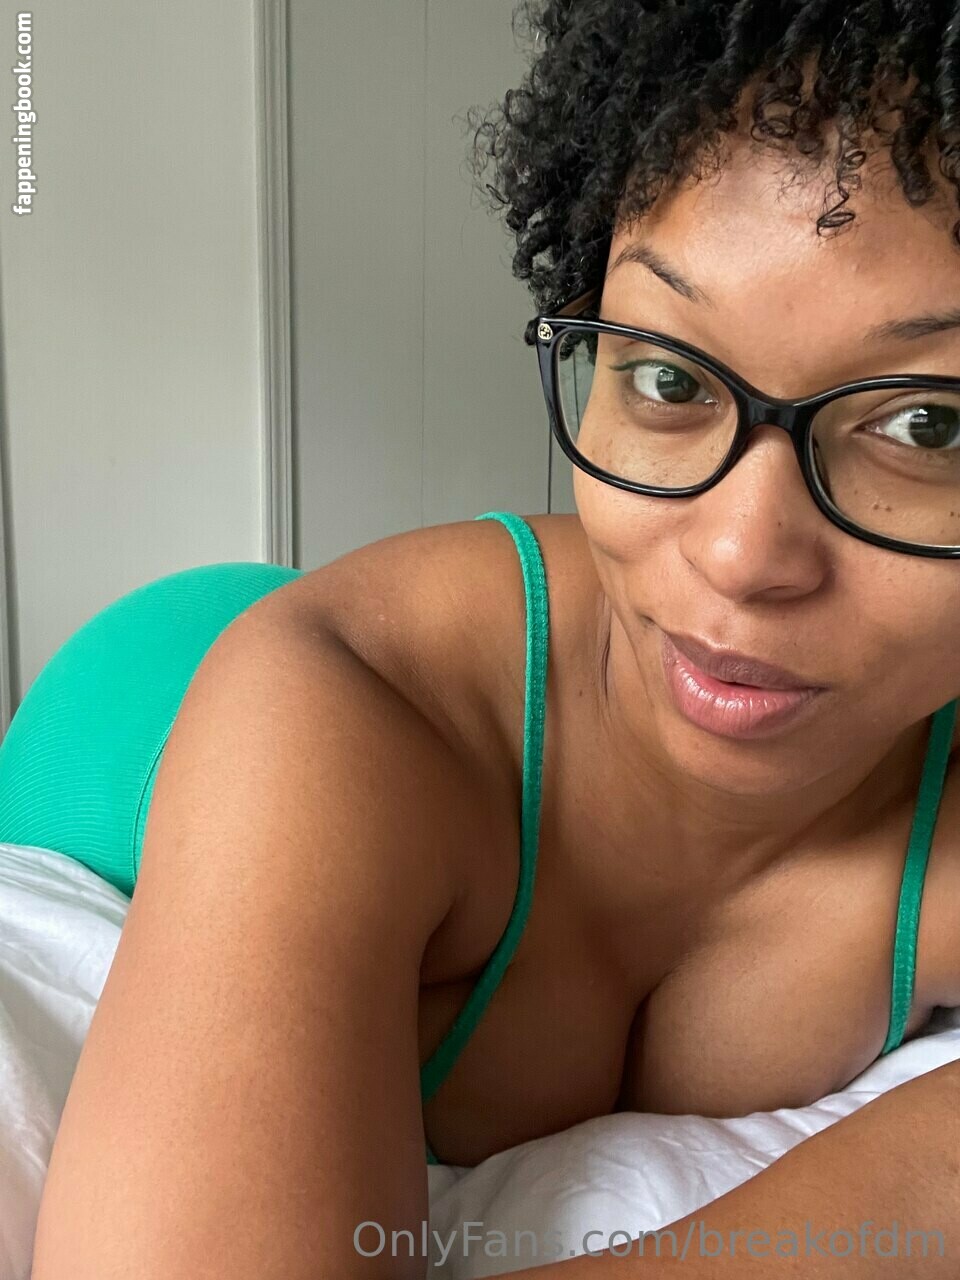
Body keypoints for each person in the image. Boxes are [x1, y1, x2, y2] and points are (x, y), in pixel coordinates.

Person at [26, 2, 960, 1276]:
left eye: (927, 426)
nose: (742, 554)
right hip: (145, 715)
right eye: (669, 377)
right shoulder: (346, 718)